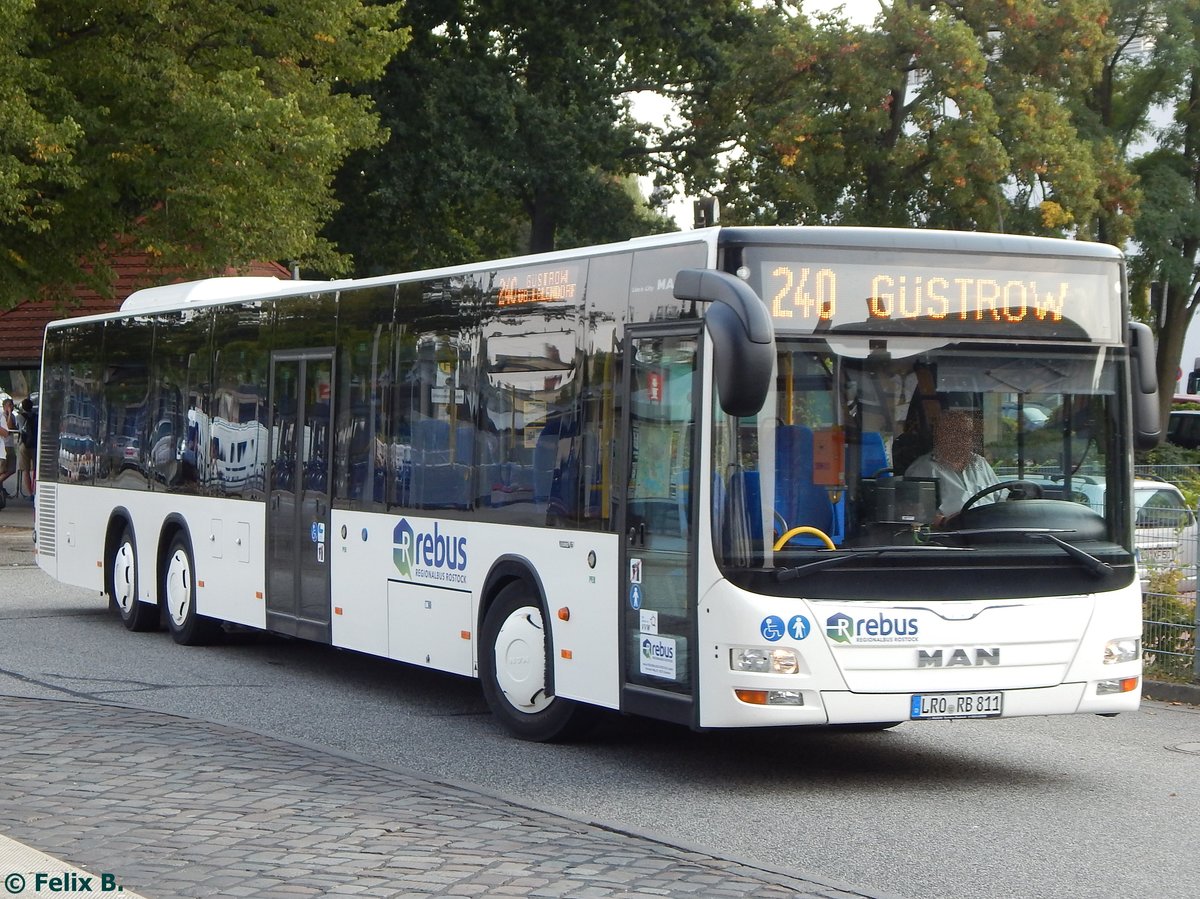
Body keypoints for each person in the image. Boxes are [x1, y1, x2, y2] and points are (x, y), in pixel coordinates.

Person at [904, 406, 1001, 522]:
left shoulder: (980, 463)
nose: (964, 438)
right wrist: (943, 522)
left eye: (968, 433)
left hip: (989, 529)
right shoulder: (922, 469)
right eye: (957, 432)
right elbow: (911, 514)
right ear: (940, 435)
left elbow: (1001, 497)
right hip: (950, 535)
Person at [16, 397, 35, 500]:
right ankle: (36, 490)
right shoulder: (36, 416)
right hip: (34, 445)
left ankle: (30, 493)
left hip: (24, 444)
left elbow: (17, 428)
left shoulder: (20, 417)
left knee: (25, 470)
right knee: (36, 470)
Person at [0, 396, 15, 499]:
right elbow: (8, 427)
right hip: (4, 445)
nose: (11, 407)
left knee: (11, 469)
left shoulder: (12, 416)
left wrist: (10, 414)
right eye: (9, 405)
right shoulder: (2, 416)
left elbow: (13, 427)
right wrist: (8, 413)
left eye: (12, 405)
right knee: (3, 469)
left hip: (10, 445)